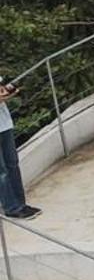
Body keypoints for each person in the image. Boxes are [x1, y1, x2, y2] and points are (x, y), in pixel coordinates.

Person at [0, 80, 40, 219]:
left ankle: (21, 204)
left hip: (4, 125)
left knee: (12, 164)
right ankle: (11, 208)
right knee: (2, 172)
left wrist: (9, 92)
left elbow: (3, 92)